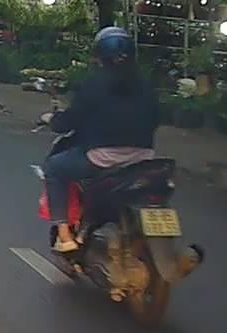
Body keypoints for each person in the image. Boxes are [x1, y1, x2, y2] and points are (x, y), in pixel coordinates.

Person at [41, 26, 158, 252]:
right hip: (143, 157)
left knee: (54, 168)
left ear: (99, 56)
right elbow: (155, 119)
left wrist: (52, 119)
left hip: (102, 157)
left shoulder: (94, 84)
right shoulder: (145, 85)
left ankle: (64, 236)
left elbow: (70, 121)